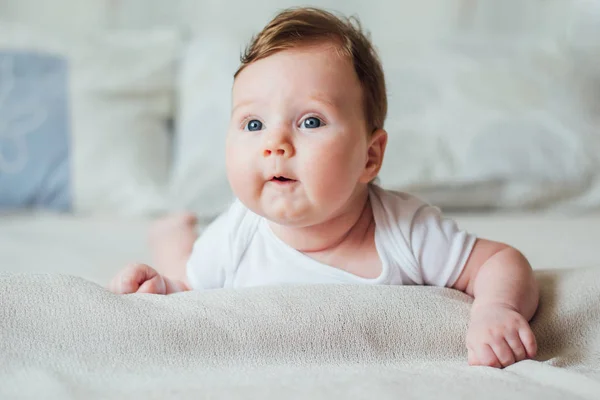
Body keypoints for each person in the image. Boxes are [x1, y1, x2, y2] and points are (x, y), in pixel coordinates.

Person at [108, 7, 539, 369]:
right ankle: (172, 234)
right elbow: (192, 291)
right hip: (211, 246)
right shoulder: (239, 233)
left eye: (310, 121)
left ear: (369, 157)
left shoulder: (403, 231)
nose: (274, 144)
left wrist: (495, 309)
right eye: (253, 123)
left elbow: (500, 261)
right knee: (184, 262)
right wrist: (162, 286)